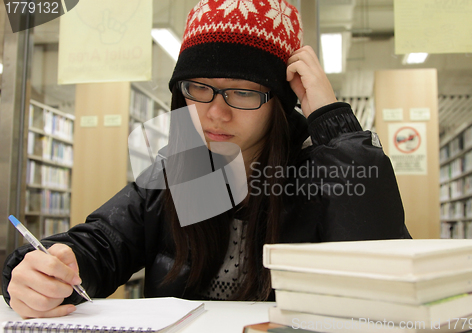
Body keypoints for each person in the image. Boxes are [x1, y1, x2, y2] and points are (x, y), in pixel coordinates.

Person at [2, 0, 411, 319]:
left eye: (244, 92)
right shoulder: (176, 170)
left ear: (280, 104)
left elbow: (387, 268)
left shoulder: (320, 174)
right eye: (199, 88)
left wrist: (332, 121)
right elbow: (100, 242)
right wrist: (43, 271)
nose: (216, 113)